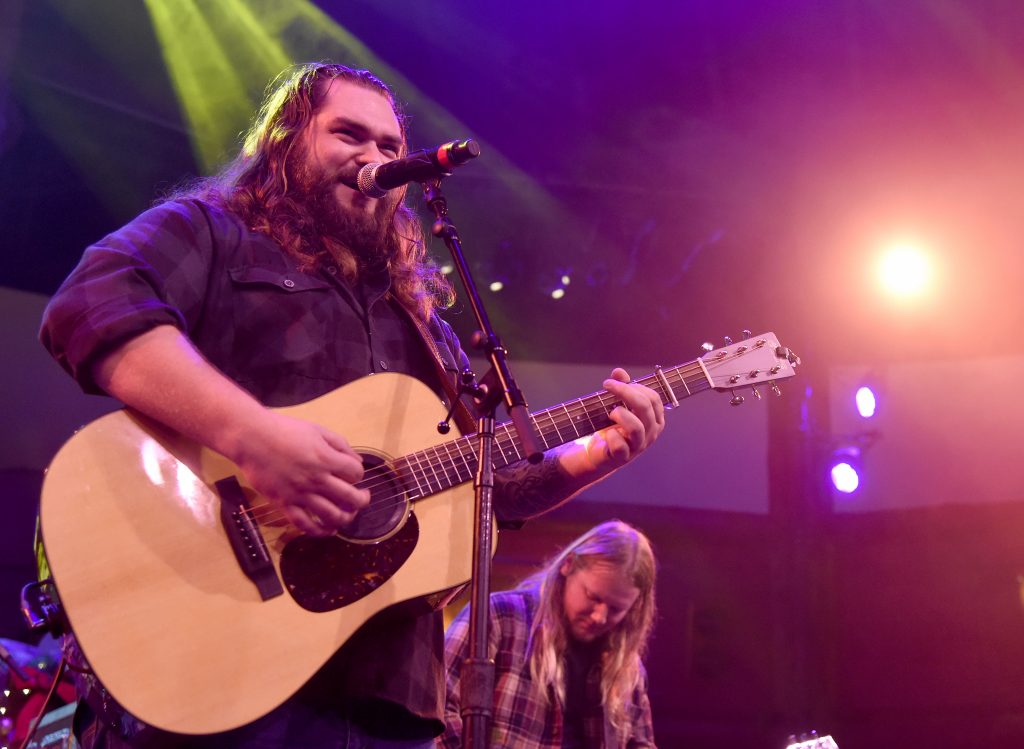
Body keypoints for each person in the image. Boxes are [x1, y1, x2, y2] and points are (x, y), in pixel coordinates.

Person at [38, 62, 666, 749]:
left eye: (392, 147)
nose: (376, 158)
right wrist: (251, 437)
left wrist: (595, 455)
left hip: (384, 702)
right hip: (220, 665)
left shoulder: (424, 323)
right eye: (349, 135)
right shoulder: (216, 232)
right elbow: (91, 302)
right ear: (286, 140)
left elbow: (491, 482)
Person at [440, 520, 657, 748]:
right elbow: (439, 709)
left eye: (616, 609)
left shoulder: (627, 668)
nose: (599, 617)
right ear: (568, 565)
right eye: (593, 597)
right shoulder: (497, 616)